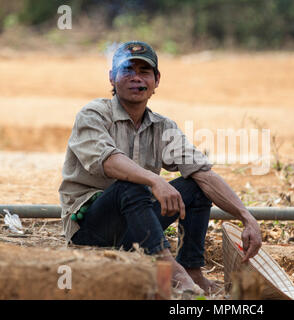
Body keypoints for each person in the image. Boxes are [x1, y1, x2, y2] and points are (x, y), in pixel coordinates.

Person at [58, 41, 262, 295]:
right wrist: (155, 181)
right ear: (112, 78)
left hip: (137, 226)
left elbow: (204, 174)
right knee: (131, 185)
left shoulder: (162, 127)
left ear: (156, 80)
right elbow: (109, 161)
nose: (136, 78)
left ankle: (192, 269)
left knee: (196, 186)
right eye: (127, 70)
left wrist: (247, 217)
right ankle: (170, 270)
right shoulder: (93, 114)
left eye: (144, 71)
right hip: (92, 230)